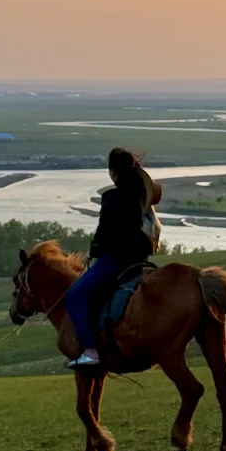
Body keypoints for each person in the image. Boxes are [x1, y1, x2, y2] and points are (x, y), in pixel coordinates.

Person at [64, 148, 162, 369]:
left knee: (75, 296)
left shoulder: (112, 198)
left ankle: (90, 351)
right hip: (139, 260)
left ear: (113, 172)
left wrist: (95, 250)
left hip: (116, 260)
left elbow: (105, 232)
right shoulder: (140, 195)